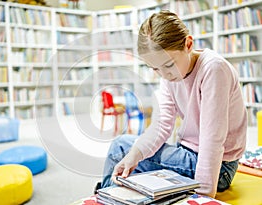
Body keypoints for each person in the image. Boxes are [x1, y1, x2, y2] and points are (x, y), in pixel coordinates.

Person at [98, 10, 247, 198]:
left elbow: (212, 139)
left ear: (188, 44)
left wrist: (204, 196)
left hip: (219, 168)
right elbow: (160, 126)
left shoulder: (214, 69)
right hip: (188, 154)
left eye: (168, 65)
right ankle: (109, 197)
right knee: (128, 156)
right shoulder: (168, 76)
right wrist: (134, 155)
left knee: (120, 147)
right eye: (155, 69)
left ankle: (103, 199)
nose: (164, 74)